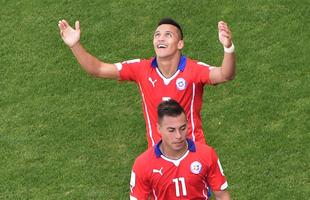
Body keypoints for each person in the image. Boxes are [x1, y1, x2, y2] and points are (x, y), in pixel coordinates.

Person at [58, 18, 236, 148]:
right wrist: (75, 45)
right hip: (157, 159)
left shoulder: (194, 69)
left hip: (193, 154)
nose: (160, 38)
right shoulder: (141, 68)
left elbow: (225, 74)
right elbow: (96, 69)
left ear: (180, 43)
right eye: (157, 35)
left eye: (168, 35)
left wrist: (228, 48)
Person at [129, 99, 230, 200]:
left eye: (182, 128)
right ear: (158, 128)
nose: (178, 136)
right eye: (171, 130)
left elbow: (222, 196)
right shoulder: (142, 164)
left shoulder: (207, 154)